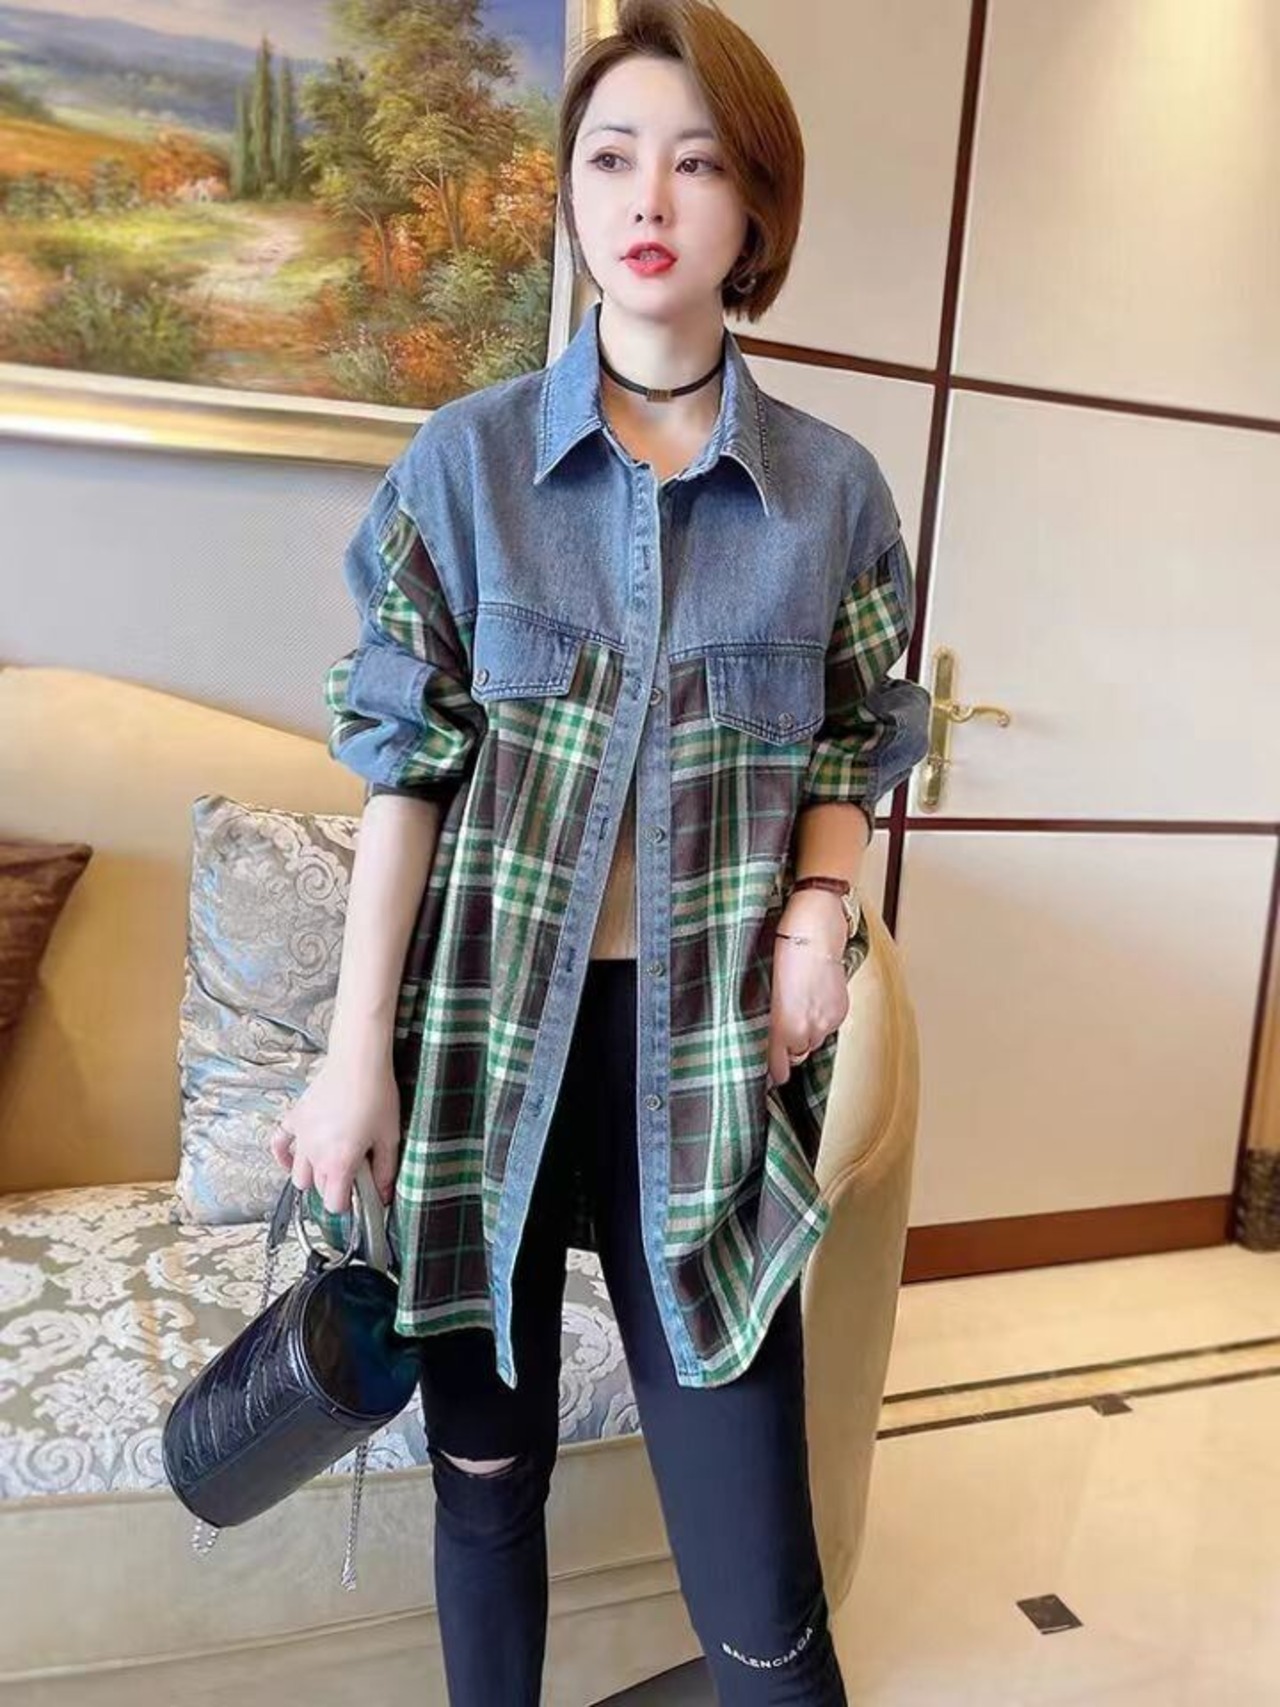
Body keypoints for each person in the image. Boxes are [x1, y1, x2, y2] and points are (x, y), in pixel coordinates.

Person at [273, 0, 931, 1699]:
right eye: (613, 157)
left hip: (697, 1050)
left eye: (698, 164)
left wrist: (819, 911)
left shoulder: (833, 496)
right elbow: (405, 770)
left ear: (755, 212)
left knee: (760, 1583)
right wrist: (353, 1056)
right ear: (570, 194)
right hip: (484, 1039)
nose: (649, 197)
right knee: (486, 1487)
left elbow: (859, 733)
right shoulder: (468, 464)